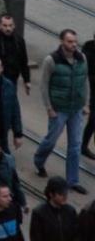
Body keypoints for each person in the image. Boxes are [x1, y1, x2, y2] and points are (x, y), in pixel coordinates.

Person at [32, 29, 89, 193]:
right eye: (70, 42)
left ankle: (72, 181)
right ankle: (39, 161)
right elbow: (44, 85)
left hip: (76, 109)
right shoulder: (51, 60)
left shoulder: (81, 58)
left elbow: (84, 81)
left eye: (75, 41)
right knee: (51, 140)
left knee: (75, 145)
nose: (74, 45)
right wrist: (49, 108)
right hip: (59, 109)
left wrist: (86, 103)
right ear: (62, 42)